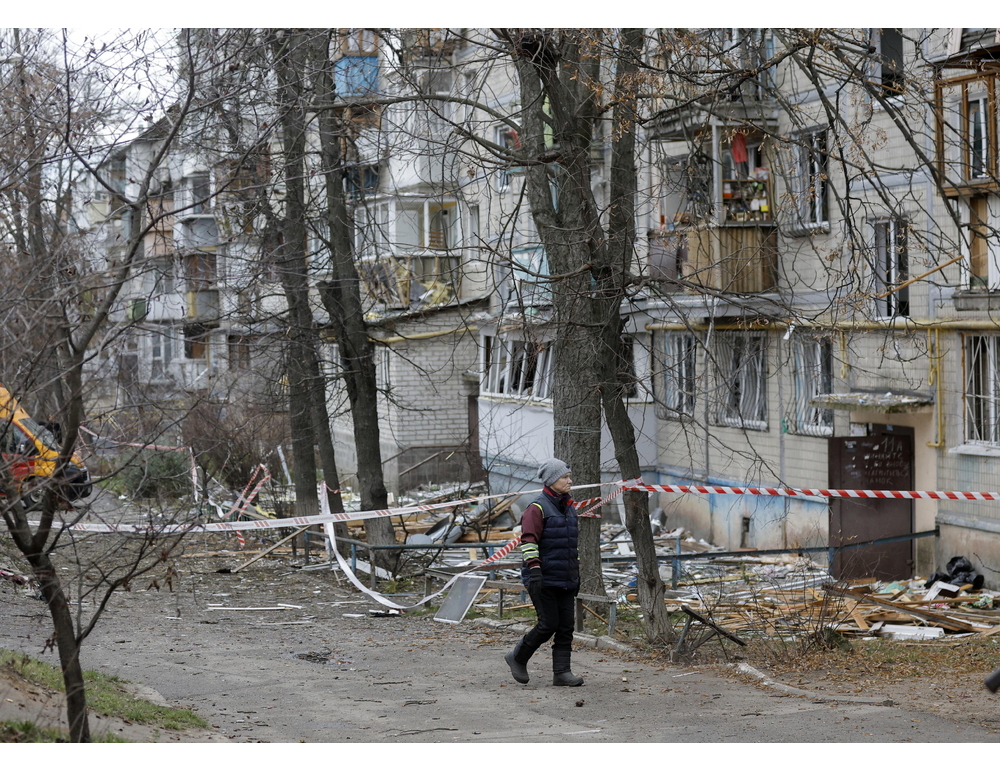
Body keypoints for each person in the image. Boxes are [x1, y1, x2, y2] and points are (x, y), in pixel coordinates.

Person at [504, 458, 584, 687]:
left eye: (569, 476)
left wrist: (575, 573)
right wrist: (535, 570)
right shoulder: (536, 508)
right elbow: (528, 541)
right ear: (551, 480)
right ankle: (518, 657)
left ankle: (562, 672)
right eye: (565, 477)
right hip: (542, 577)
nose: (570, 481)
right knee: (548, 624)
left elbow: (571, 546)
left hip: (566, 578)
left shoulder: (569, 507)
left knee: (566, 626)